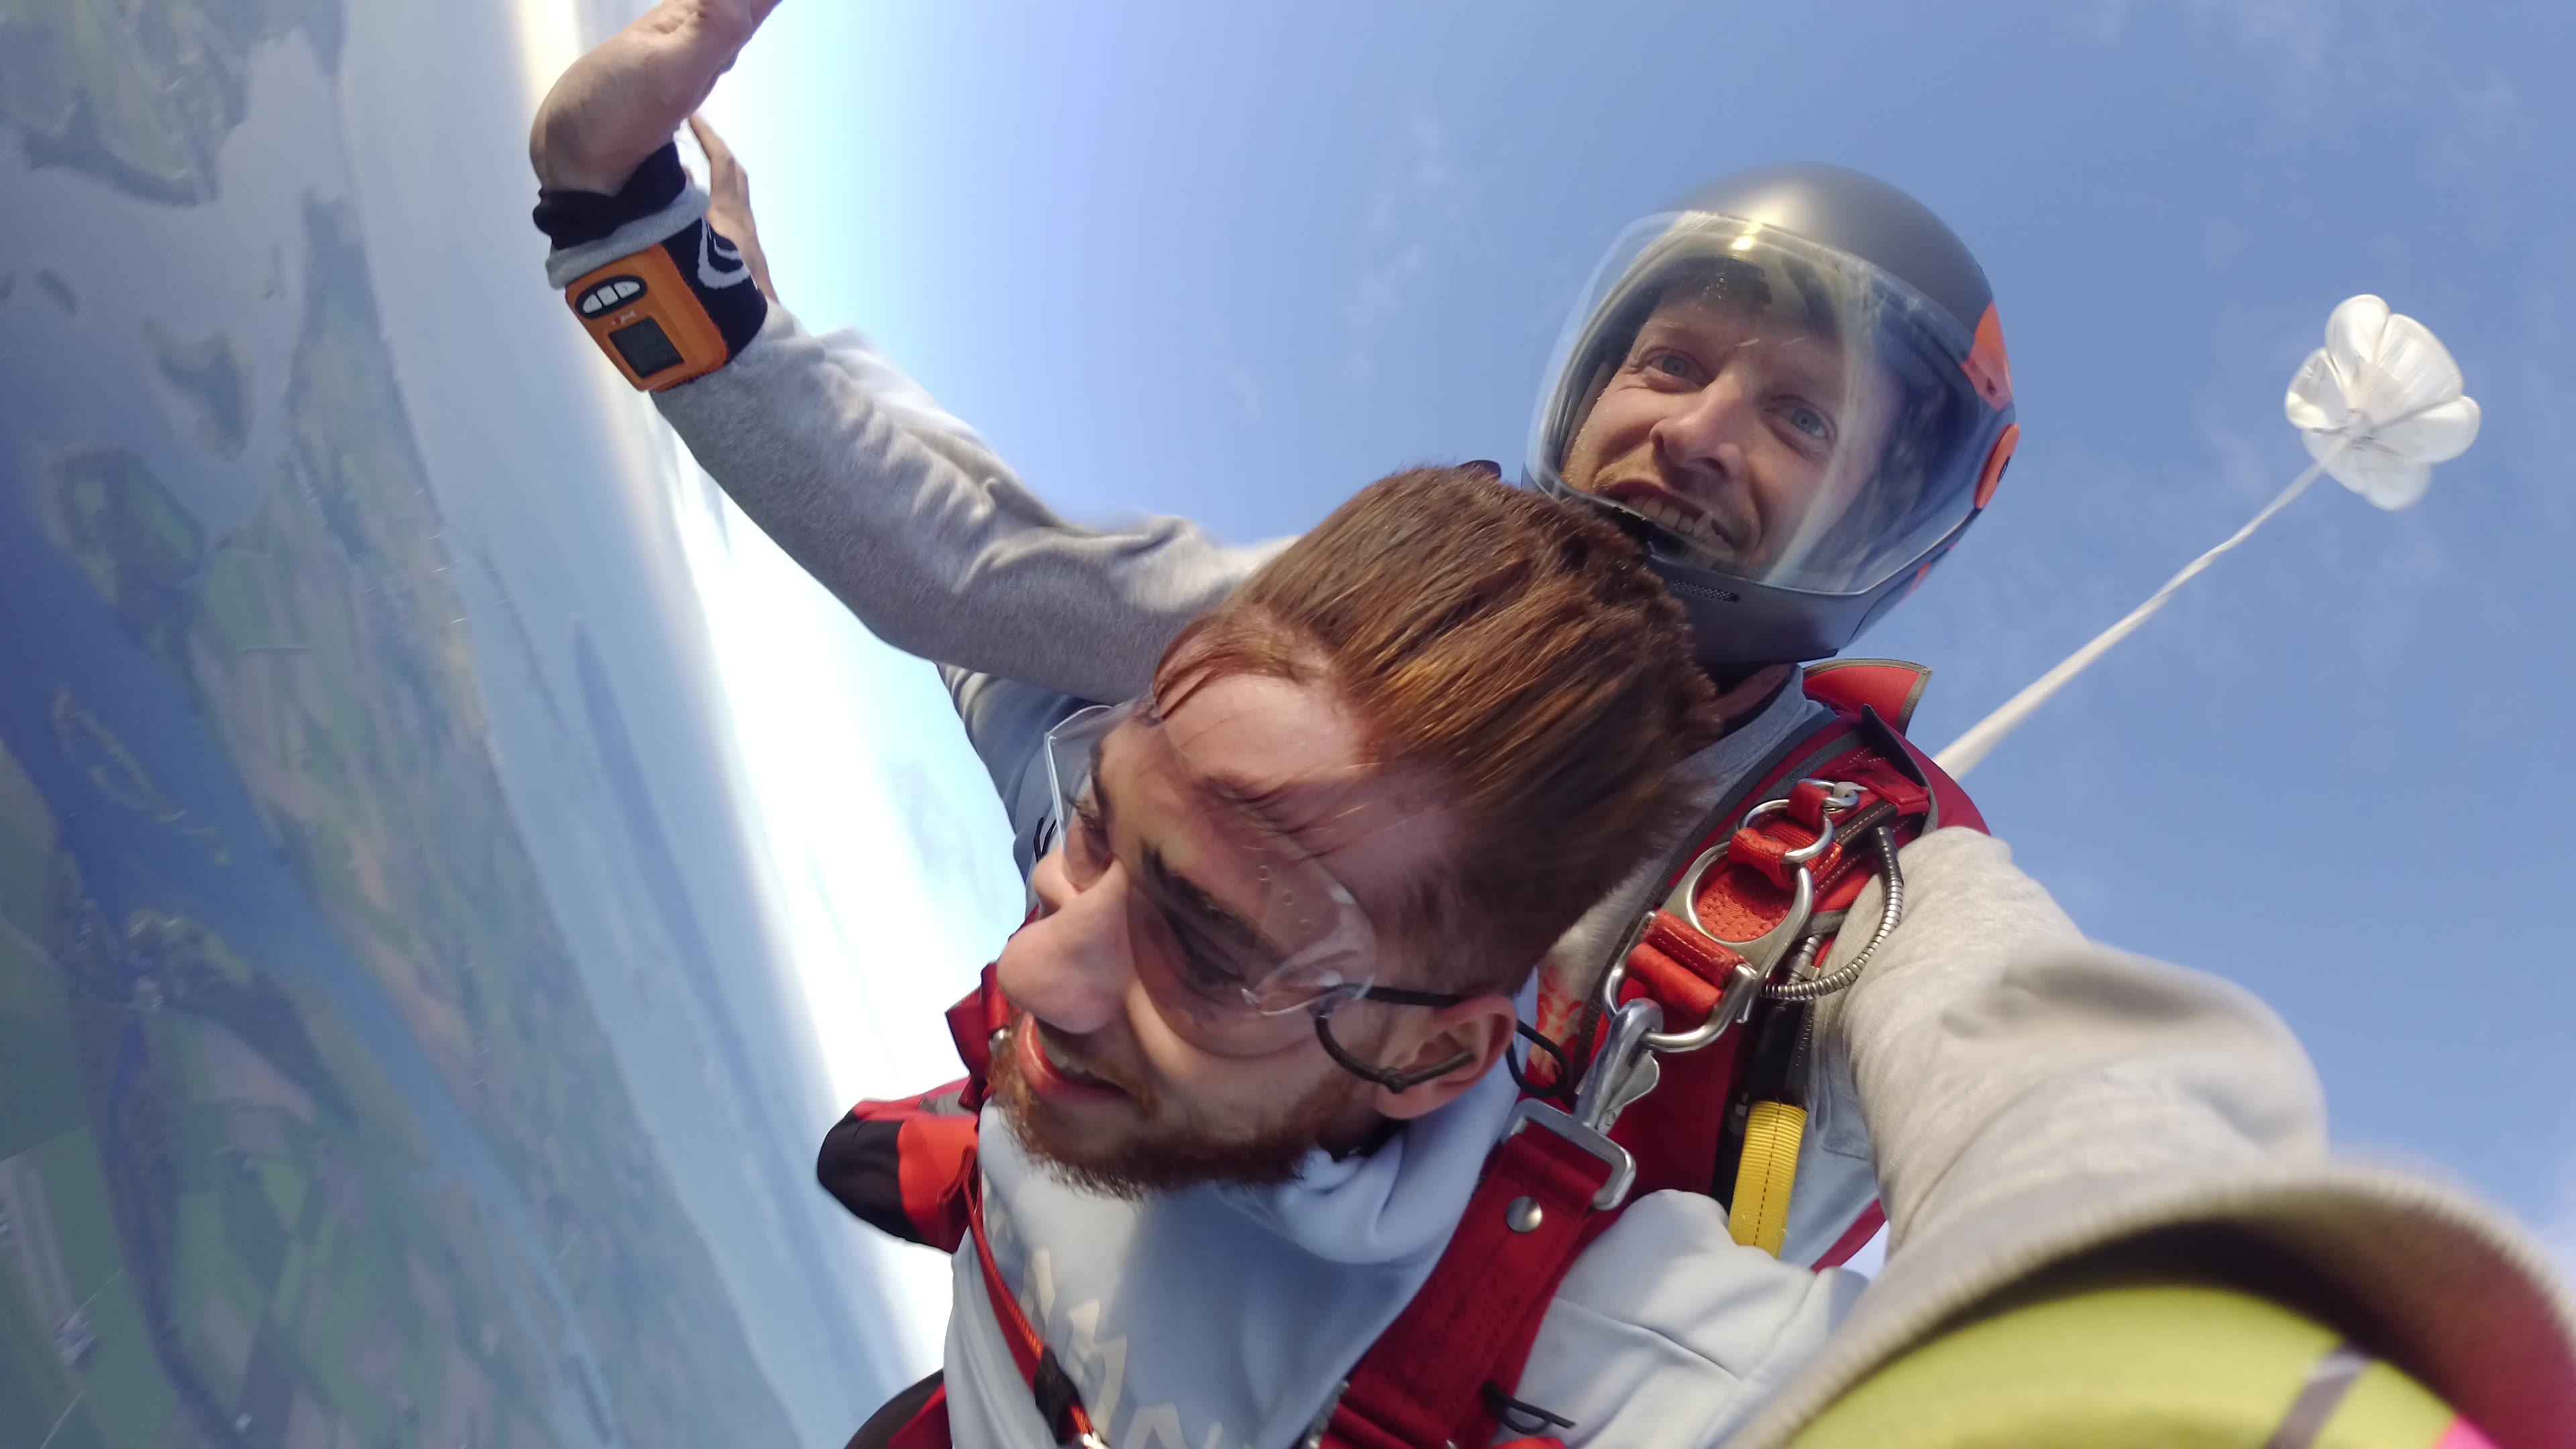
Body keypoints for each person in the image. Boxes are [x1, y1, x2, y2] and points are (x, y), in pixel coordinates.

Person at [524, 6, 2576, 1444]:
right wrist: (643, 239)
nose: (1696, 432)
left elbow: (2070, 1095)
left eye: (1796, 416)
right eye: (1672, 364)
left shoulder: (1870, 883)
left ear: (1887, 527)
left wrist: (2173, 1371)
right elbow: (989, 582)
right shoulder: (1366, 615)